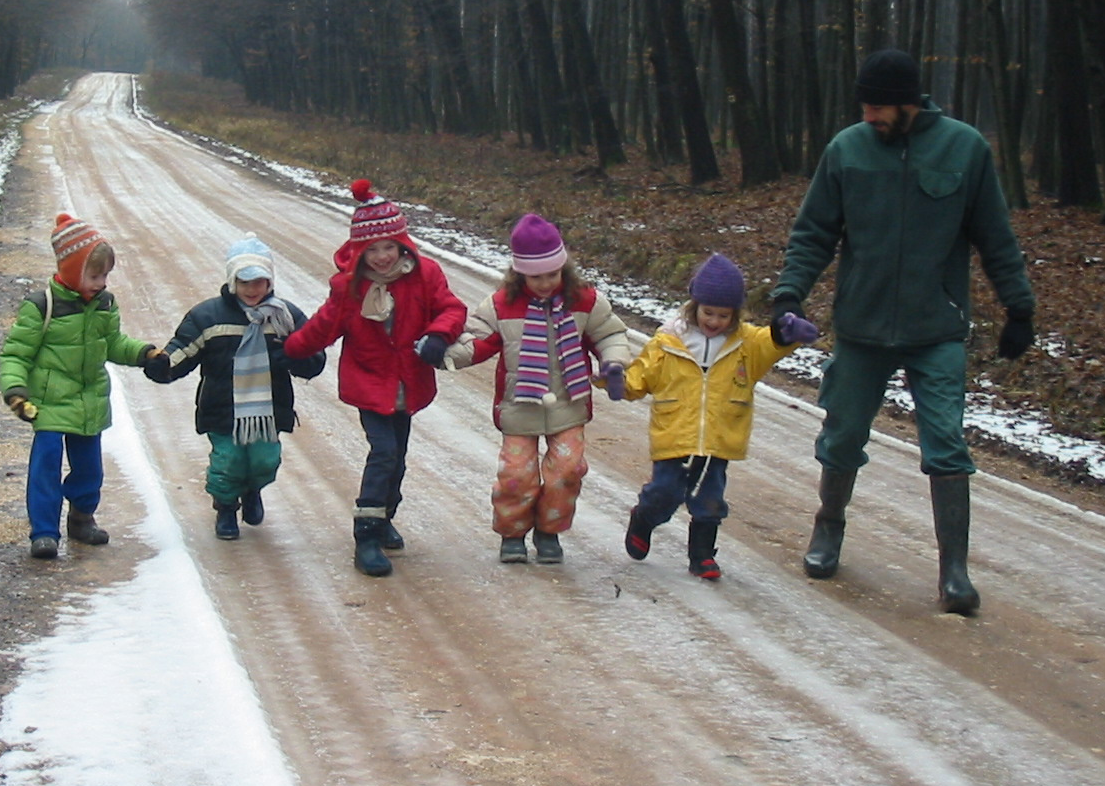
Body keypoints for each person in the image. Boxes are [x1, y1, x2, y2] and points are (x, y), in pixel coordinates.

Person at [770, 48, 1036, 613]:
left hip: (935, 328)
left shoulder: (965, 150)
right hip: (861, 327)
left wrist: (1019, 308)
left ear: (909, 102)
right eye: (864, 106)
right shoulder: (847, 150)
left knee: (947, 444)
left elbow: (996, 237)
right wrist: (789, 293)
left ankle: (954, 571)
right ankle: (829, 526)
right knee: (842, 437)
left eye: (878, 106)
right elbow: (813, 232)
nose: (869, 116)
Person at [283, 179, 467, 577]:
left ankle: (384, 518)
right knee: (383, 452)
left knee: (397, 459)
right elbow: (323, 327)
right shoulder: (350, 288)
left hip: (410, 384)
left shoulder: (424, 274)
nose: (383, 257)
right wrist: (289, 350)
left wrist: (438, 335)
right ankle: (365, 535)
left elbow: (451, 309)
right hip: (369, 383)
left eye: (390, 247)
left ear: (403, 245)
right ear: (358, 251)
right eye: (373, 249)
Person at [443, 214, 632, 564]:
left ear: (564, 269)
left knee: (568, 471)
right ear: (519, 274)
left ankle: (549, 531)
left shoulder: (585, 301)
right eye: (535, 276)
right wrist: (444, 354)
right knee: (516, 476)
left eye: (551, 274)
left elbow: (609, 334)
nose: (544, 283)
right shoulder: (500, 306)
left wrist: (614, 361)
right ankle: (513, 534)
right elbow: (477, 341)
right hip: (520, 407)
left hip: (569, 404)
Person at [619, 253, 818, 579]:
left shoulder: (746, 345)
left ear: (735, 314)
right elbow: (639, 379)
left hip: (718, 437)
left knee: (709, 499)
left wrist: (790, 332)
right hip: (675, 433)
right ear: (694, 306)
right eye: (707, 312)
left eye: (723, 315)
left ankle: (702, 555)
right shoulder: (669, 342)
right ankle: (644, 518)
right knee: (665, 492)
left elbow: (773, 342)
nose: (714, 321)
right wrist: (615, 381)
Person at [142, 237, 326, 540]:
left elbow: (314, 357)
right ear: (232, 281)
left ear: (270, 281)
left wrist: (293, 354)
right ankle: (226, 506)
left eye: (260, 282)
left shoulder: (285, 317)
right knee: (229, 461)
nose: (253, 290)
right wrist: (163, 364)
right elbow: (184, 348)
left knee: (265, 459)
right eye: (245, 282)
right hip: (223, 407)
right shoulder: (208, 316)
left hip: (268, 408)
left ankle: (253, 488)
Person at [0, 213, 158, 560]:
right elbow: (15, 354)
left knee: (89, 469)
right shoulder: (43, 307)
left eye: (104, 276)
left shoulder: (104, 304)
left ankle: (81, 517)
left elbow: (113, 343)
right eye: (94, 275)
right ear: (71, 270)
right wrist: (15, 391)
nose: (101, 282)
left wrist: (144, 353)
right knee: (47, 464)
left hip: (89, 401)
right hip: (49, 403)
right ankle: (44, 532)